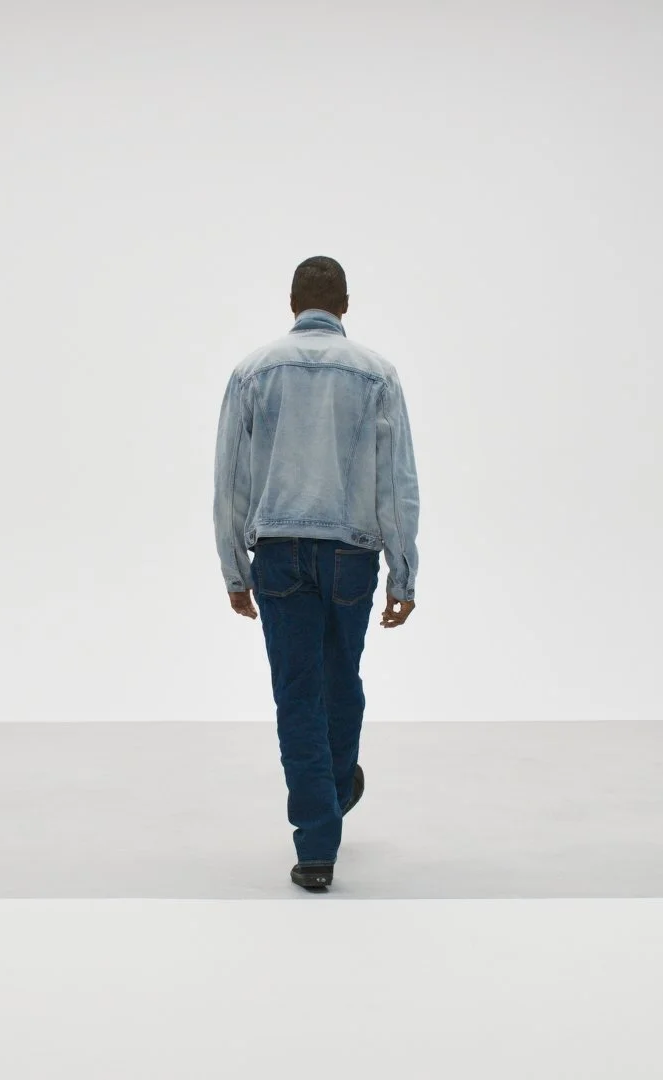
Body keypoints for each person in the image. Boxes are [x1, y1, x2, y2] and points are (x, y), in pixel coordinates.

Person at [212, 254, 421, 893]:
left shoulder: (253, 372)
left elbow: (230, 480)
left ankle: (316, 843)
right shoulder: (377, 374)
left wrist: (234, 569)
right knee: (342, 681)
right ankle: (332, 792)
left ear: (292, 303)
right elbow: (397, 482)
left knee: (298, 694)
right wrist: (403, 572)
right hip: (351, 553)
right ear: (345, 305)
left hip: (278, 552)